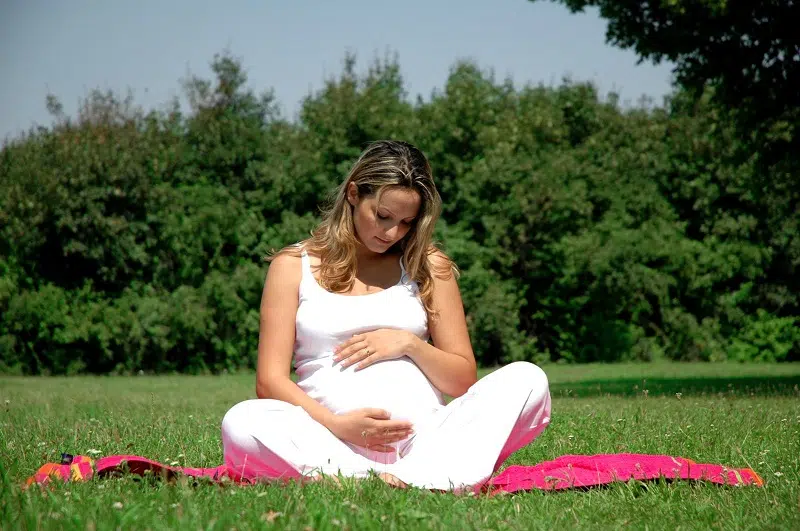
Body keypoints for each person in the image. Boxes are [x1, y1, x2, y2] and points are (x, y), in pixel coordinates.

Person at [220, 140, 551, 491]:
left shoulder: (429, 266)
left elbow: (462, 381)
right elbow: (270, 382)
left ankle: (404, 476)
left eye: (406, 222)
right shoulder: (292, 267)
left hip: (426, 440)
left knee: (528, 379)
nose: (391, 233)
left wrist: (408, 343)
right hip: (330, 440)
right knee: (241, 421)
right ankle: (394, 479)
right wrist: (338, 425)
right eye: (382, 216)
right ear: (352, 194)